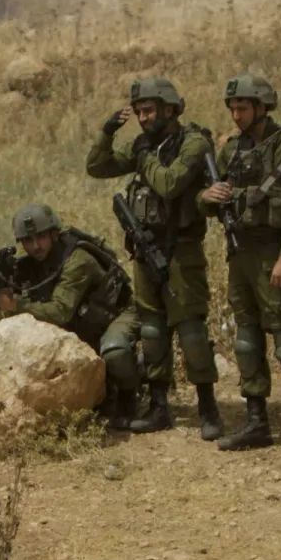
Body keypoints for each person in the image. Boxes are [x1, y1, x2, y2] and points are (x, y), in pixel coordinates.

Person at [86, 77, 223, 440]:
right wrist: (107, 131)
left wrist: (143, 156)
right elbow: (97, 166)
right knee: (151, 330)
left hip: (181, 250)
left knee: (191, 330)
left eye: (149, 110)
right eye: (139, 112)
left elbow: (168, 183)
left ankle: (208, 406)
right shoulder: (144, 144)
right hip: (146, 251)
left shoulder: (193, 143)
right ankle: (159, 406)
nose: (143, 118)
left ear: (169, 108)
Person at [198, 74, 281, 458]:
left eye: (243, 108)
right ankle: (257, 421)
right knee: (246, 340)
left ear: (262, 108)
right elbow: (208, 201)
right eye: (232, 108)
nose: (236, 115)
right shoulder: (230, 152)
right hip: (240, 255)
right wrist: (207, 197)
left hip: (273, 254)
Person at [0, 203, 137, 429]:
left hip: (116, 315)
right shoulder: (33, 264)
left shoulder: (77, 259)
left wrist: (15, 304)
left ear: (54, 233)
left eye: (41, 237)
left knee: (115, 350)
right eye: (28, 241)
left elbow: (60, 311)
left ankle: (129, 399)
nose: (35, 246)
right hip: (83, 321)